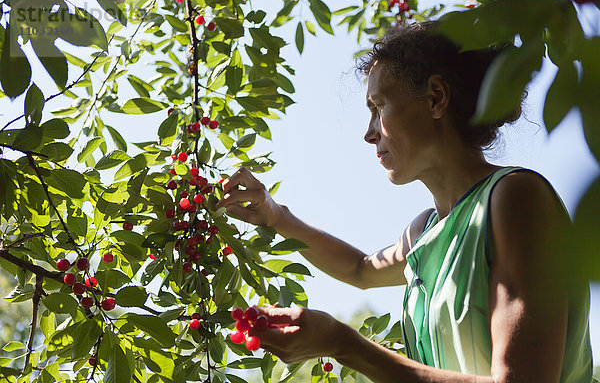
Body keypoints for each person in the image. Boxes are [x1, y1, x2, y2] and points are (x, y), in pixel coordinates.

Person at [214, 21, 593, 382]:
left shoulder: (515, 198)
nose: (368, 133)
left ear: (435, 98)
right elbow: (361, 270)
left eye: (378, 107)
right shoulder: (423, 232)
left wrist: (345, 346)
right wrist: (275, 215)